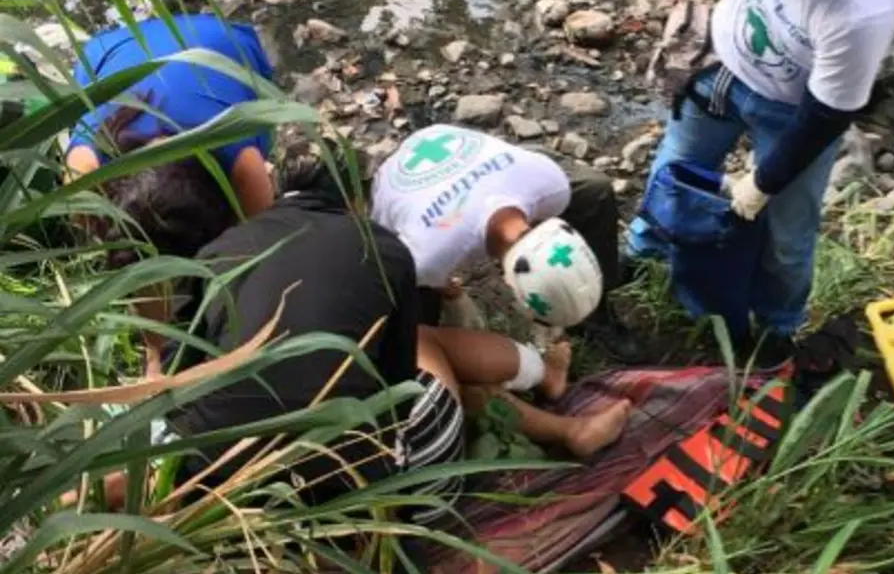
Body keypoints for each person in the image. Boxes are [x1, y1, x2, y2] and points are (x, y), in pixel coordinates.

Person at [67, 150, 631, 513]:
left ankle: (558, 416)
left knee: (438, 385)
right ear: (357, 202)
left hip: (243, 496)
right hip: (388, 498)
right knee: (427, 353)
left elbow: (192, 367)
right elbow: (394, 385)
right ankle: (547, 383)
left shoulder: (221, 255)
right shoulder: (380, 247)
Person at [625, 0, 894, 368]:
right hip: (719, 69)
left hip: (791, 111)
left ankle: (776, 328)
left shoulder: (858, 10)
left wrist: (763, 183)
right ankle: (641, 255)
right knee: (671, 173)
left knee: (786, 236)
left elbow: (825, 116)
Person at [370, 123, 639, 360]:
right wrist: (453, 294)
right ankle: (435, 359)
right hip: (398, 177)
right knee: (412, 300)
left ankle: (593, 316)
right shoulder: (430, 255)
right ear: (509, 282)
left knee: (593, 191)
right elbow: (420, 271)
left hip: (455, 146)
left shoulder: (553, 186)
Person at [65, 13, 277, 219]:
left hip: (225, 42)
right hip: (107, 50)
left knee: (259, 135)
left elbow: (258, 232)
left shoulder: (241, 159)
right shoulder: (86, 168)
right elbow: (83, 225)